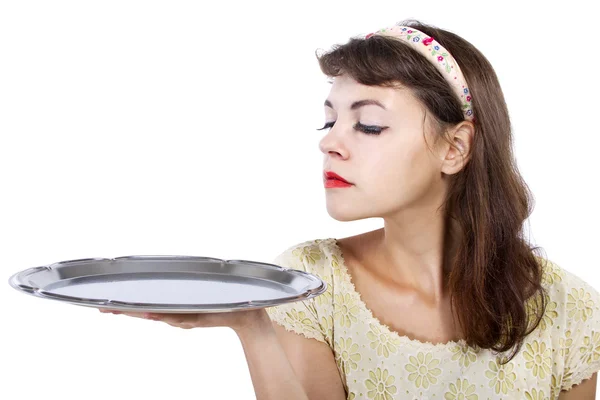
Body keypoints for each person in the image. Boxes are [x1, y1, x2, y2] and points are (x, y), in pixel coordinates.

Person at [101, 19, 600, 400]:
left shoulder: (569, 309)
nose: (332, 144)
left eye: (369, 125)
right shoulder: (314, 282)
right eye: (328, 122)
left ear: (454, 148)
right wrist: (254, 327)